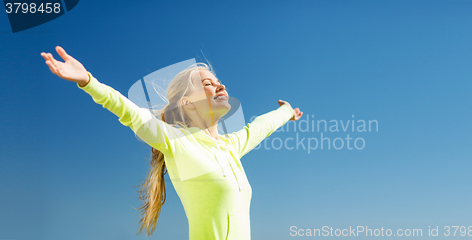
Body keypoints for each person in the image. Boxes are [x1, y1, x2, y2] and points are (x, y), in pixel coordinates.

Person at [41, 46, 303, 240]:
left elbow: (260, 127)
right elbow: (130, 112)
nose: (220, 86)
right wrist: (88, 81)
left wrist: (287, 112)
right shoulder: (176, 141)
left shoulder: (231, 146)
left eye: (219, 82)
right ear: (187, 102)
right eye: (208, 84)